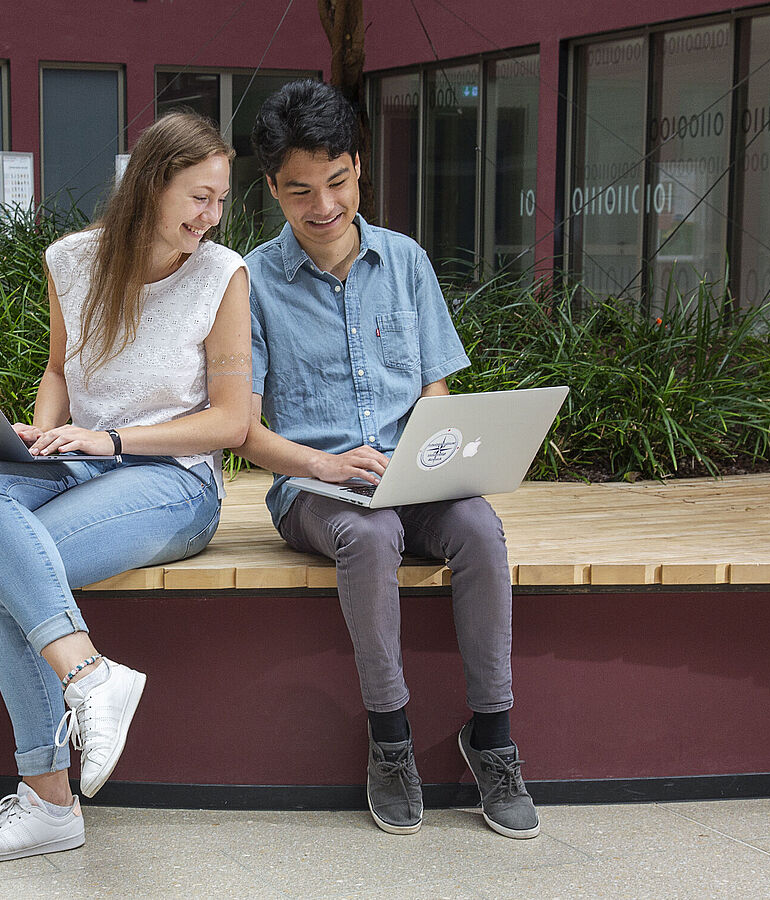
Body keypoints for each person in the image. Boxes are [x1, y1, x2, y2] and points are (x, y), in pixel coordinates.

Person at [0, 111, 251, 862]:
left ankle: (47, 801)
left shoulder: (222, 275)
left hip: (173, 481)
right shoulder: (71, 261)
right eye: (197, 198)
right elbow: (58, 370)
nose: (210, 218)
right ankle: (90, 676)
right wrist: (42, 431)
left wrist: (111, 439)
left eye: (219, 201)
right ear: (150, 185)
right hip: (79, 456)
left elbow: (232, 423)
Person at [236, 80, 539, 839]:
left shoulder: (404, 260)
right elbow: (243, 433)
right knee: (370, 537)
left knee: (479, 527)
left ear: (358, 167)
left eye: (336, 182)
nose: (324, 206)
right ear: (272, 188)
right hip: (316, 488)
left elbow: (434, 392)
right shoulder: (249, 283)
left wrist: (435, 462)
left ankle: (494, 739)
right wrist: (331, 468)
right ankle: (391, 737)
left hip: (412, 476)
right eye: (300, 190)